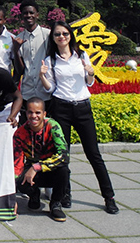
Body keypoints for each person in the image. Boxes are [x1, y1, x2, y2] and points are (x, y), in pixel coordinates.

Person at [40, 21, 119, 214]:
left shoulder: (81, 55)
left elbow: (89, 82)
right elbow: (50, 88)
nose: (61, 37)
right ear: (53, 38)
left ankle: (109, 197)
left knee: (94, 154)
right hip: (61, 108)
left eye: (65, 33)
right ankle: (64, 194)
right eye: (57, 34)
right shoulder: (51, 60)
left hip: (83, 108)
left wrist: (90, 73)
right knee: (62, 154)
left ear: (70, 35)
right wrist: (42, 76)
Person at [13, 98, 70, 222]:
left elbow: (64, 156)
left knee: (64, 171)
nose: (34, 116)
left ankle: (56, 203)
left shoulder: (53, 126)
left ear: (44, 114)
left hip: (50, 169)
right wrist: (11, 200)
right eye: (30, 112)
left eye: (37, 112)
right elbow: (16, 164)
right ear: (26, 113)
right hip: (32, 174)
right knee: (19, 179)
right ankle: (34, 195)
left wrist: (37, 167)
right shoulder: (19, 134)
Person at [14, 0, 51, 105]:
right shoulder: (18, 39)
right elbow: (20, 70)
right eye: (25, 13)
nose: (28, 15)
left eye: (31, 13)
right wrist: (16, 50)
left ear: (37, 15)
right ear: (21, 16)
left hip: (46, 91)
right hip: (27, 92)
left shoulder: (48, 35)